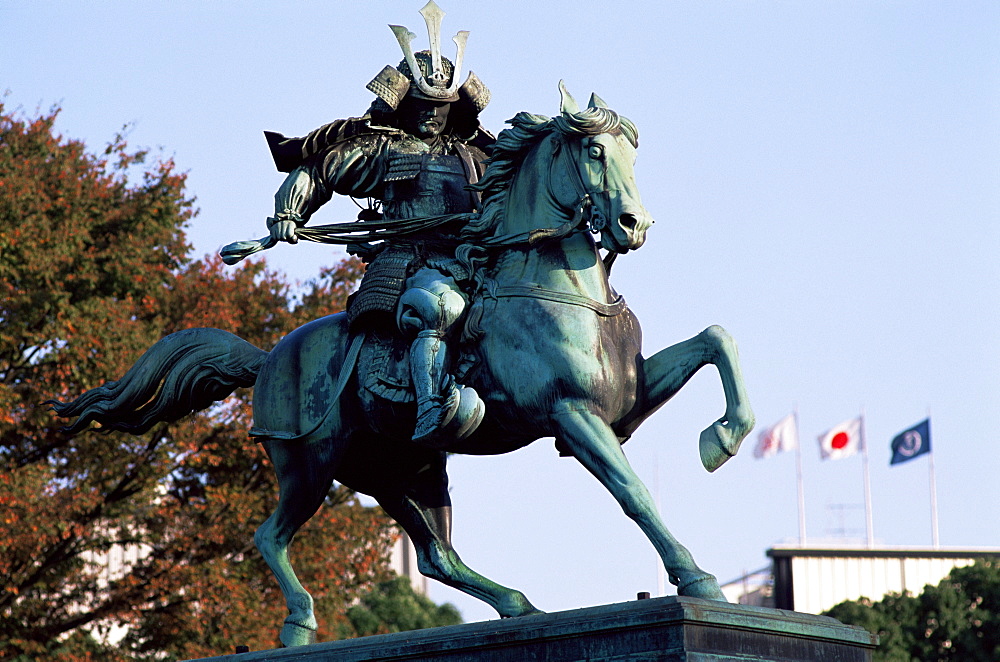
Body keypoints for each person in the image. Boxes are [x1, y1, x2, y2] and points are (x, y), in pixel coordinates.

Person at [264, 14, 493, 446]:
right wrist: (289, 214)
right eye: (422, 105)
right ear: (404, 103)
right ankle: (430, 405)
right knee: (435, 310)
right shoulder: (383, 150)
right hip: (412, 259)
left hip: (474, 257)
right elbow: (317, 171)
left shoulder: (477, 155)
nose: (431, 115)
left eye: (439, 107)